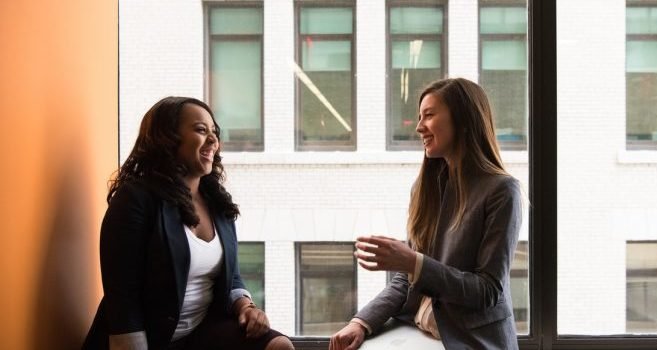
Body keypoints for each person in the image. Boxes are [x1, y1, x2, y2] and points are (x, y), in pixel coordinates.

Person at [83, 97, 294, 350]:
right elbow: (122, 297)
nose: (213, 140)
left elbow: (231, 276)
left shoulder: (217, 203)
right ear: (168, 138)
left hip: (200, 333)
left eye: (214, 132)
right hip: (145, 338)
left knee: (278, 346)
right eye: (201, 130)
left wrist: (246, 306)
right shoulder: (135, 199)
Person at [330, 78, 523, 350]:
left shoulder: (502, 191)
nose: (419, 127)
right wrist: (360, 322)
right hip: (421, 333)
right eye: (419, 117)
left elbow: (488, 291)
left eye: (429, 115)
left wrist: (414, 263)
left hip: (472, 340)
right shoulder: (425, 188)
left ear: (463, 119)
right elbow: (406, 280)